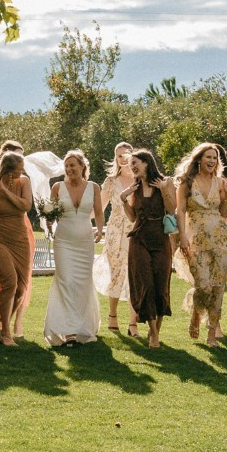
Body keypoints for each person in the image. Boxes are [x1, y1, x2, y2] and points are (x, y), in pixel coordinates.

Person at [174, 141, 227, 347]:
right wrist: (182, 235)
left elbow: (224, 213)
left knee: (218, 287)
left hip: (220, 239)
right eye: (208, 157)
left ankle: (211, 333)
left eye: (215, 158)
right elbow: (180, 210)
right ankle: (195, 313)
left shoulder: (220, 182)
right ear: (199, 159)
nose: (212, 160)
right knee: (203, 285)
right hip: (195, 239)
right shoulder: (186, 182)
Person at [43, 150, 104, 345]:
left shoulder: (93, 187)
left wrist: (100, 230)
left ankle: (82, 327)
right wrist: (49, 221)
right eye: (66, 166)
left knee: (82, 283)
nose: (69, 169)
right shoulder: (57, 187)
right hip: (64, 241)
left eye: (72, 165)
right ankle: (68, 330)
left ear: (82, 166)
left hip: (85, 241)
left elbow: (100, 213)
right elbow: (50, 213)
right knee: (66, 281)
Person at [118, 148, 174, 348]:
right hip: (139, 239)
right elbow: (133, 217)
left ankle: (154, 331)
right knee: (145, 284)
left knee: (161, 286)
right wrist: (124, 199)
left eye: (135, 163)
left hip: (160, 239)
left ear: (147, 163)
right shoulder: (135, 188)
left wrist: (165, 189)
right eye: (130, 164)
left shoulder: (165, 182)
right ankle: (154, 334)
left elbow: (172, 208)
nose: (132, 167)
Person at [0, 152, 34, 345]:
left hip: (19, 238)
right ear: (9, 171)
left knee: (20, 289)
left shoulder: (24, 183)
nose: (23, 172)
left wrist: (6, 193)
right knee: (9, 282)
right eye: (20, 169)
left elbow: (26, 206)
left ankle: (3, 316)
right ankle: (5, 333)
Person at [96, 142, 135, 332]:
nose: (123, 158)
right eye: (119, 155)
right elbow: (99, 210)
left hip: (136, 230)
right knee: (115, 273)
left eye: (126, 154)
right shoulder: (111, 181)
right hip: (115, 232)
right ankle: (112, 314)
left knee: (135, 274)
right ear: (116, 159)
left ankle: (133, 321)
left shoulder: (141, 179)